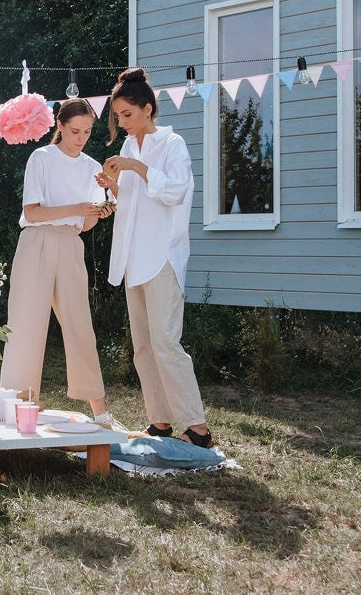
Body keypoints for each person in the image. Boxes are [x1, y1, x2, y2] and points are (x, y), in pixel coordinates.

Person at [97, 68, 214, 447]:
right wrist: (114, 187)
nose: (122, 123)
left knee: (166, 343)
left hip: (163, 256)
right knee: (144, 347)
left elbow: (175, 193)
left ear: (147, 109)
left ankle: (197, 428)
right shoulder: (130, 148)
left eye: (127, 115)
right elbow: (133, 203)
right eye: (118, 116)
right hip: (134, 257)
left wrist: (135, 167)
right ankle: (159, 421)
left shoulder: (172, 144)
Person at [0, 98, 125, 431]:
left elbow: (83, 225)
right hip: (36, 243)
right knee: (26, 325)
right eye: (74, 131)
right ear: (60, 126)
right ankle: (15, 410)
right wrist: (79, 206)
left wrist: (97, 213)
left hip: (70, 244)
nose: (81, 137)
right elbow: (33, 212)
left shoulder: (92, 168)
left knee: (79, 324)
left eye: (86, 131)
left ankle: (100, 412)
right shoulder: (40, 158)